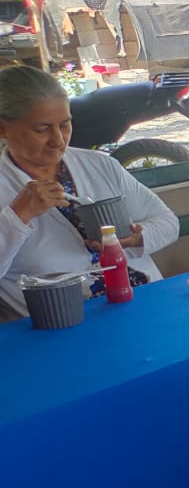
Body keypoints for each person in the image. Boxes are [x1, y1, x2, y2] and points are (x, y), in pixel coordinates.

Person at [0, 65, 178, 319]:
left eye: (65, 125)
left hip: (143, 302)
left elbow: (168, 222)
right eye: (42, 129)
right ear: (3, 128)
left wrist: (136, 238)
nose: (58, 140)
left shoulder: (99, 165)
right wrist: (18, 216)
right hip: (63, 322)